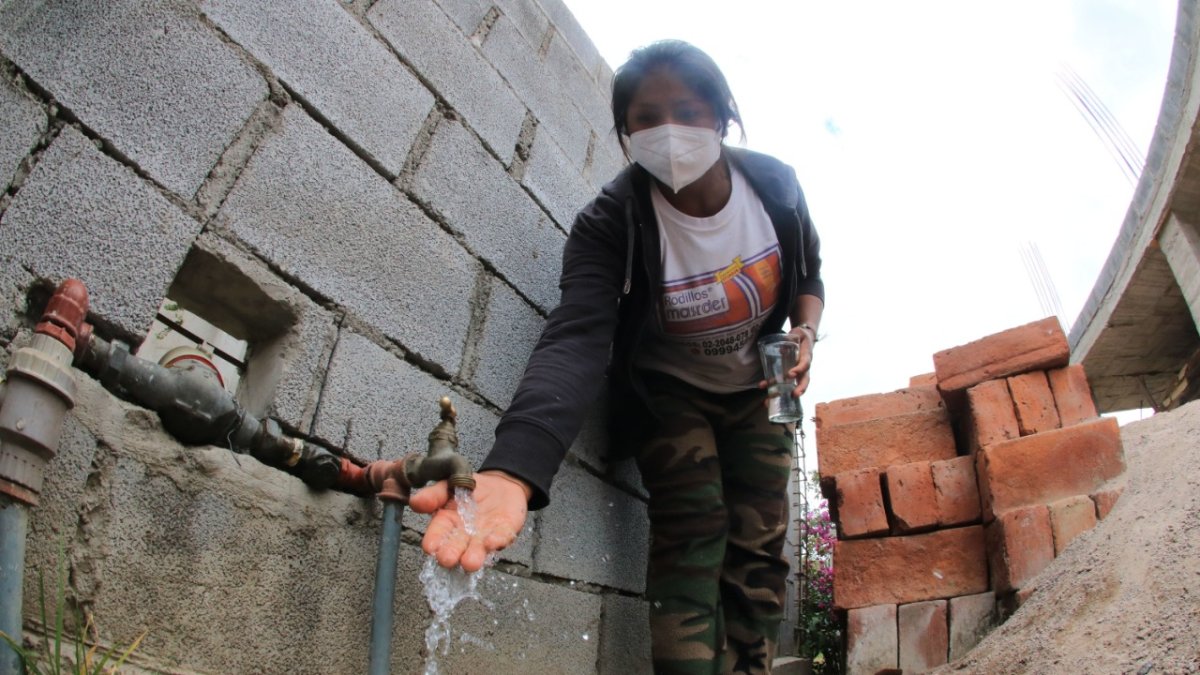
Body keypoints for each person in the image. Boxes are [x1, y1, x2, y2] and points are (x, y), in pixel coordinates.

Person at [409, 39, 824, 674]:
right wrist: (515, 469)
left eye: (686, 109)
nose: (669, 131)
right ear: (626, 132)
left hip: (760, 392)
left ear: (720, 115)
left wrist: (806, 331)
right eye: (647, 117)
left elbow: (809, 275)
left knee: (762, 549)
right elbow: (577, 335)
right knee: (695, 532)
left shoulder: (774, 189)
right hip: (669, 392)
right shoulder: (613, 221)